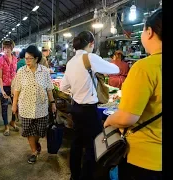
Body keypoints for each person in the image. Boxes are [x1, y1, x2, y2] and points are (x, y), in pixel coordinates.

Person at [104, 9, 162, 180]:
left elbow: (127, 117)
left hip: (145, 158)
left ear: (149, 32)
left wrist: (109, 120)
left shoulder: (146, 67)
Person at [60, 30, 119, 180]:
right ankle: (86, 176)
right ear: (91, 43)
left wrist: (77, 89)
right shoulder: (90, 58)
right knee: (94, 144)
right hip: (89, 110)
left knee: (77, 142)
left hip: (76, 108)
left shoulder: (71, 61)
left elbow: (62, 87)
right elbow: (115, 69)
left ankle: (74, 175)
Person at [12, 45, 56, 164]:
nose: (27, 61)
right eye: (25, 58)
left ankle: (36, 143)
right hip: (25, 107)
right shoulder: (21, 72)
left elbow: (49, 89)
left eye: (29, 58)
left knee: (40, 131)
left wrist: (52, 103)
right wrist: (14, 104)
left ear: (36, 59)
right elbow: (17, 89)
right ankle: (34, 152)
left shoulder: (44, 71)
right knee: (28, 130)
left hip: (41, 107)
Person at [0, 39, 18, 136]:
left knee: (15, 106)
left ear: (12, 48)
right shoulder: (0, 60)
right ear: (3, 49)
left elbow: (14, 74)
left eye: (9, 48)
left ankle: (13, 122)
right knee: (4, 107)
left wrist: (15, 86)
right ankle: (6, 125)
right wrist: (1, 89)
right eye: (5, 48)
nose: (7, 50)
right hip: (4, 86)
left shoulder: (15, 59)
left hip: (14, 86)